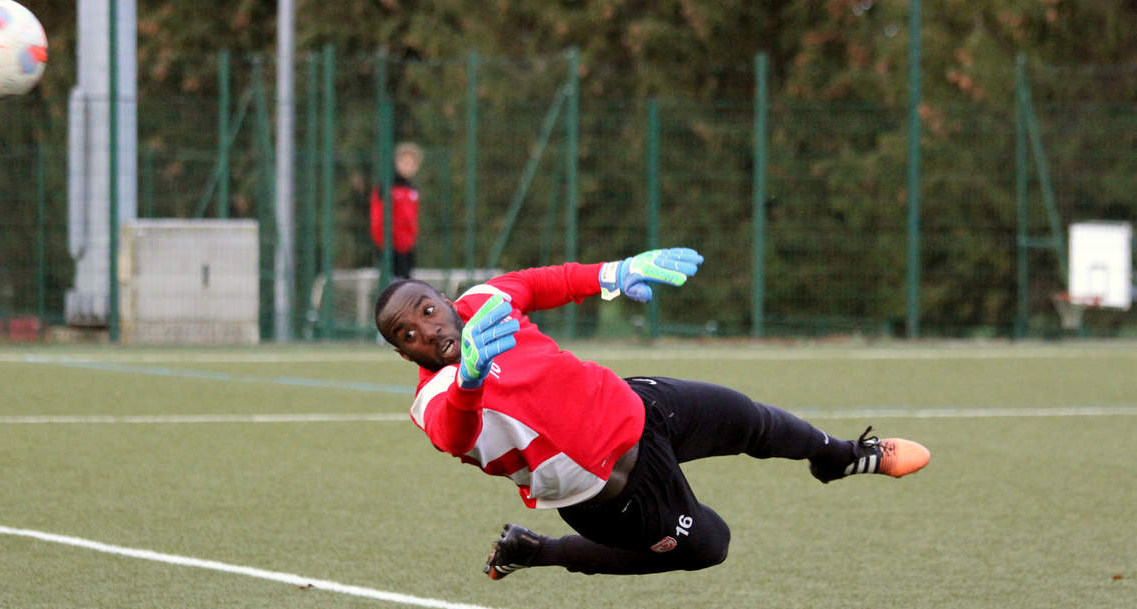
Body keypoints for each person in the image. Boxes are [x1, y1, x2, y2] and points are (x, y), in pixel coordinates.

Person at [374, 249, 930, 579]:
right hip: (613, 493)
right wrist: (469, 379)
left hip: (638, 407)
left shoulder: (482, 301)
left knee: (746, 417)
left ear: (446, 301)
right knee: (711, 545)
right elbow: (454, 432)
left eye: (428, 311)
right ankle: (540, 551)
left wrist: (614, 272)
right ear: (404, 355)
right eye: (409, 334)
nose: (429, 330)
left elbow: (543, 282)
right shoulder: (435, 399)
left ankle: (838, 457)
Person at [369, 142, 423, 279]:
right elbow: (377, 218)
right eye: (405, 162)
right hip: (389, 249)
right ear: (397, 163)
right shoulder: (386, 187)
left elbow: (412, 219)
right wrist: (383, 244)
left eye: (412, 163)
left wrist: (410, 241)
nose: (408, 167)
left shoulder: (413, 190)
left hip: (407, 250)